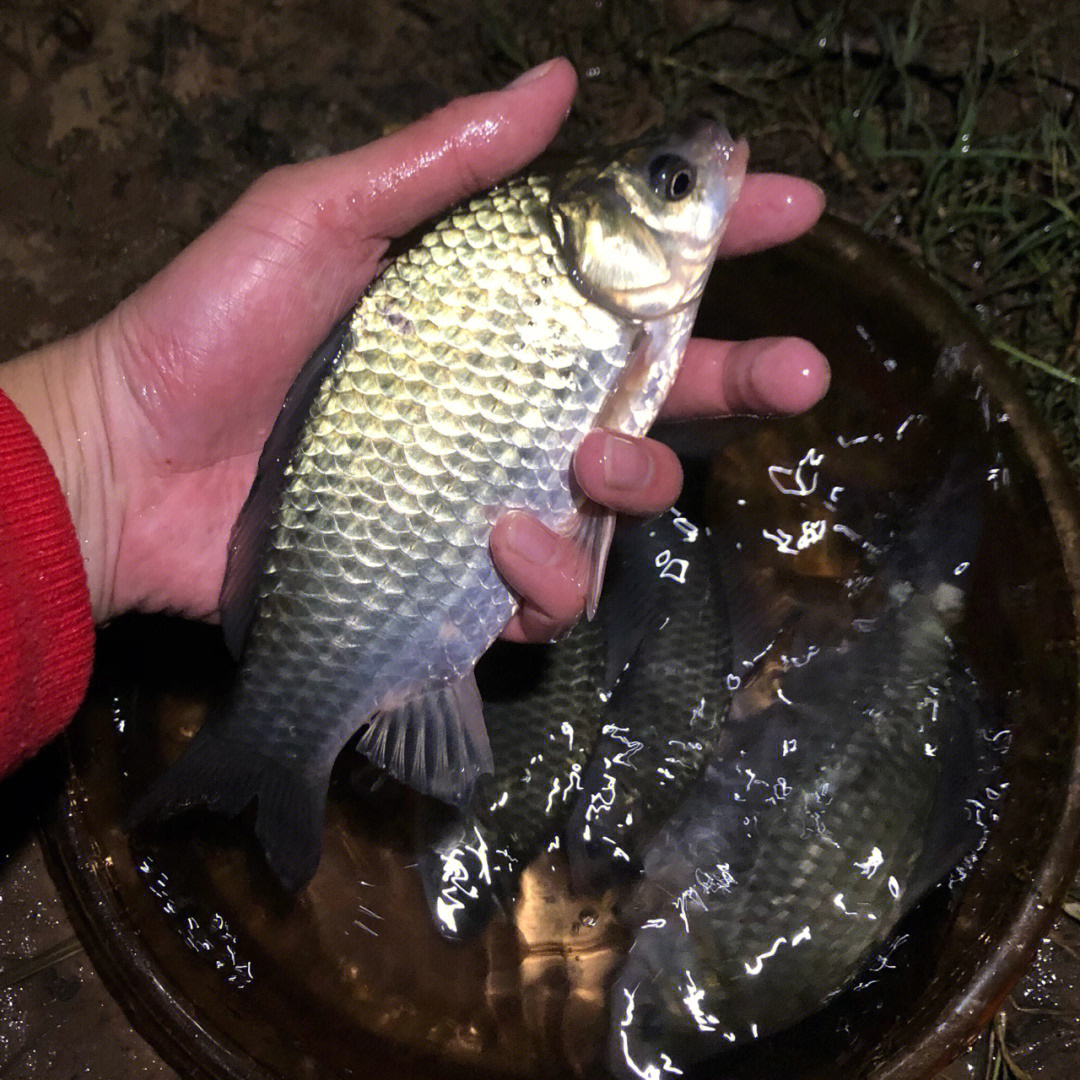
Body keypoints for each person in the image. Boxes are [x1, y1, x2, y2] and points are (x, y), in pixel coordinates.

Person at [0, 59, 829, 779]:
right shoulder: (560, 269)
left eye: (671, 183)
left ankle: (294, 732)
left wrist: (103, 458)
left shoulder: (596, 294)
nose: (702, 178)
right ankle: (279, 741)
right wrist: (110, 441)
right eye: (672, 184)